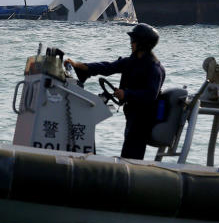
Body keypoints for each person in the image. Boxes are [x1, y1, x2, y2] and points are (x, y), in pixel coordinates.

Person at [66, 23, 165, 160]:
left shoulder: (154, 68)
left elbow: (150, 95)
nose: (131, 43)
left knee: (132, 154)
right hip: (132, 115)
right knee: (128, 151)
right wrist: (83, 67)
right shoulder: (133, 61)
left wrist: (127, 94)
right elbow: (108, 67)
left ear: (142, 43)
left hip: (143, 119)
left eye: (133, 40)